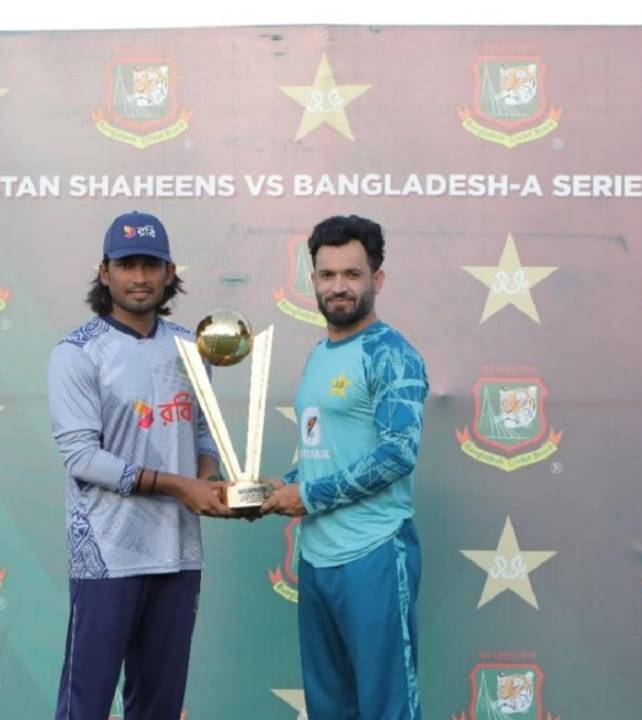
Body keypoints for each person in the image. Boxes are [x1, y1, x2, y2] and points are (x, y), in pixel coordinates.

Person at [47, 210, 227, 720]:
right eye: (127, 265)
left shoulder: (193, 349)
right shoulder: (77, 353)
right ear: (105, 273)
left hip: (178, 552)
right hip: (107, 553)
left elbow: (201, 430)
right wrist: (178, 485)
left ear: (171, 273)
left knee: (160, 707)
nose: (140, 277)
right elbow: (82, 458)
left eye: (151, 264)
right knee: (85, 705)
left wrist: (209, 480)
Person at [259, 214, 429, 720]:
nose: (338, 286)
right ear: (312, 280)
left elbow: (398, 452)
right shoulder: (318, 355)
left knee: (386, 707)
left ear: (376, 280)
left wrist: (307, 497)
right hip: (317, 559)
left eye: (351, 275)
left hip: (374, 552)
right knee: (329, 706)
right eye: (327, 275)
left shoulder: (392, 354)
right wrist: (280, 486)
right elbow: (321, 449)